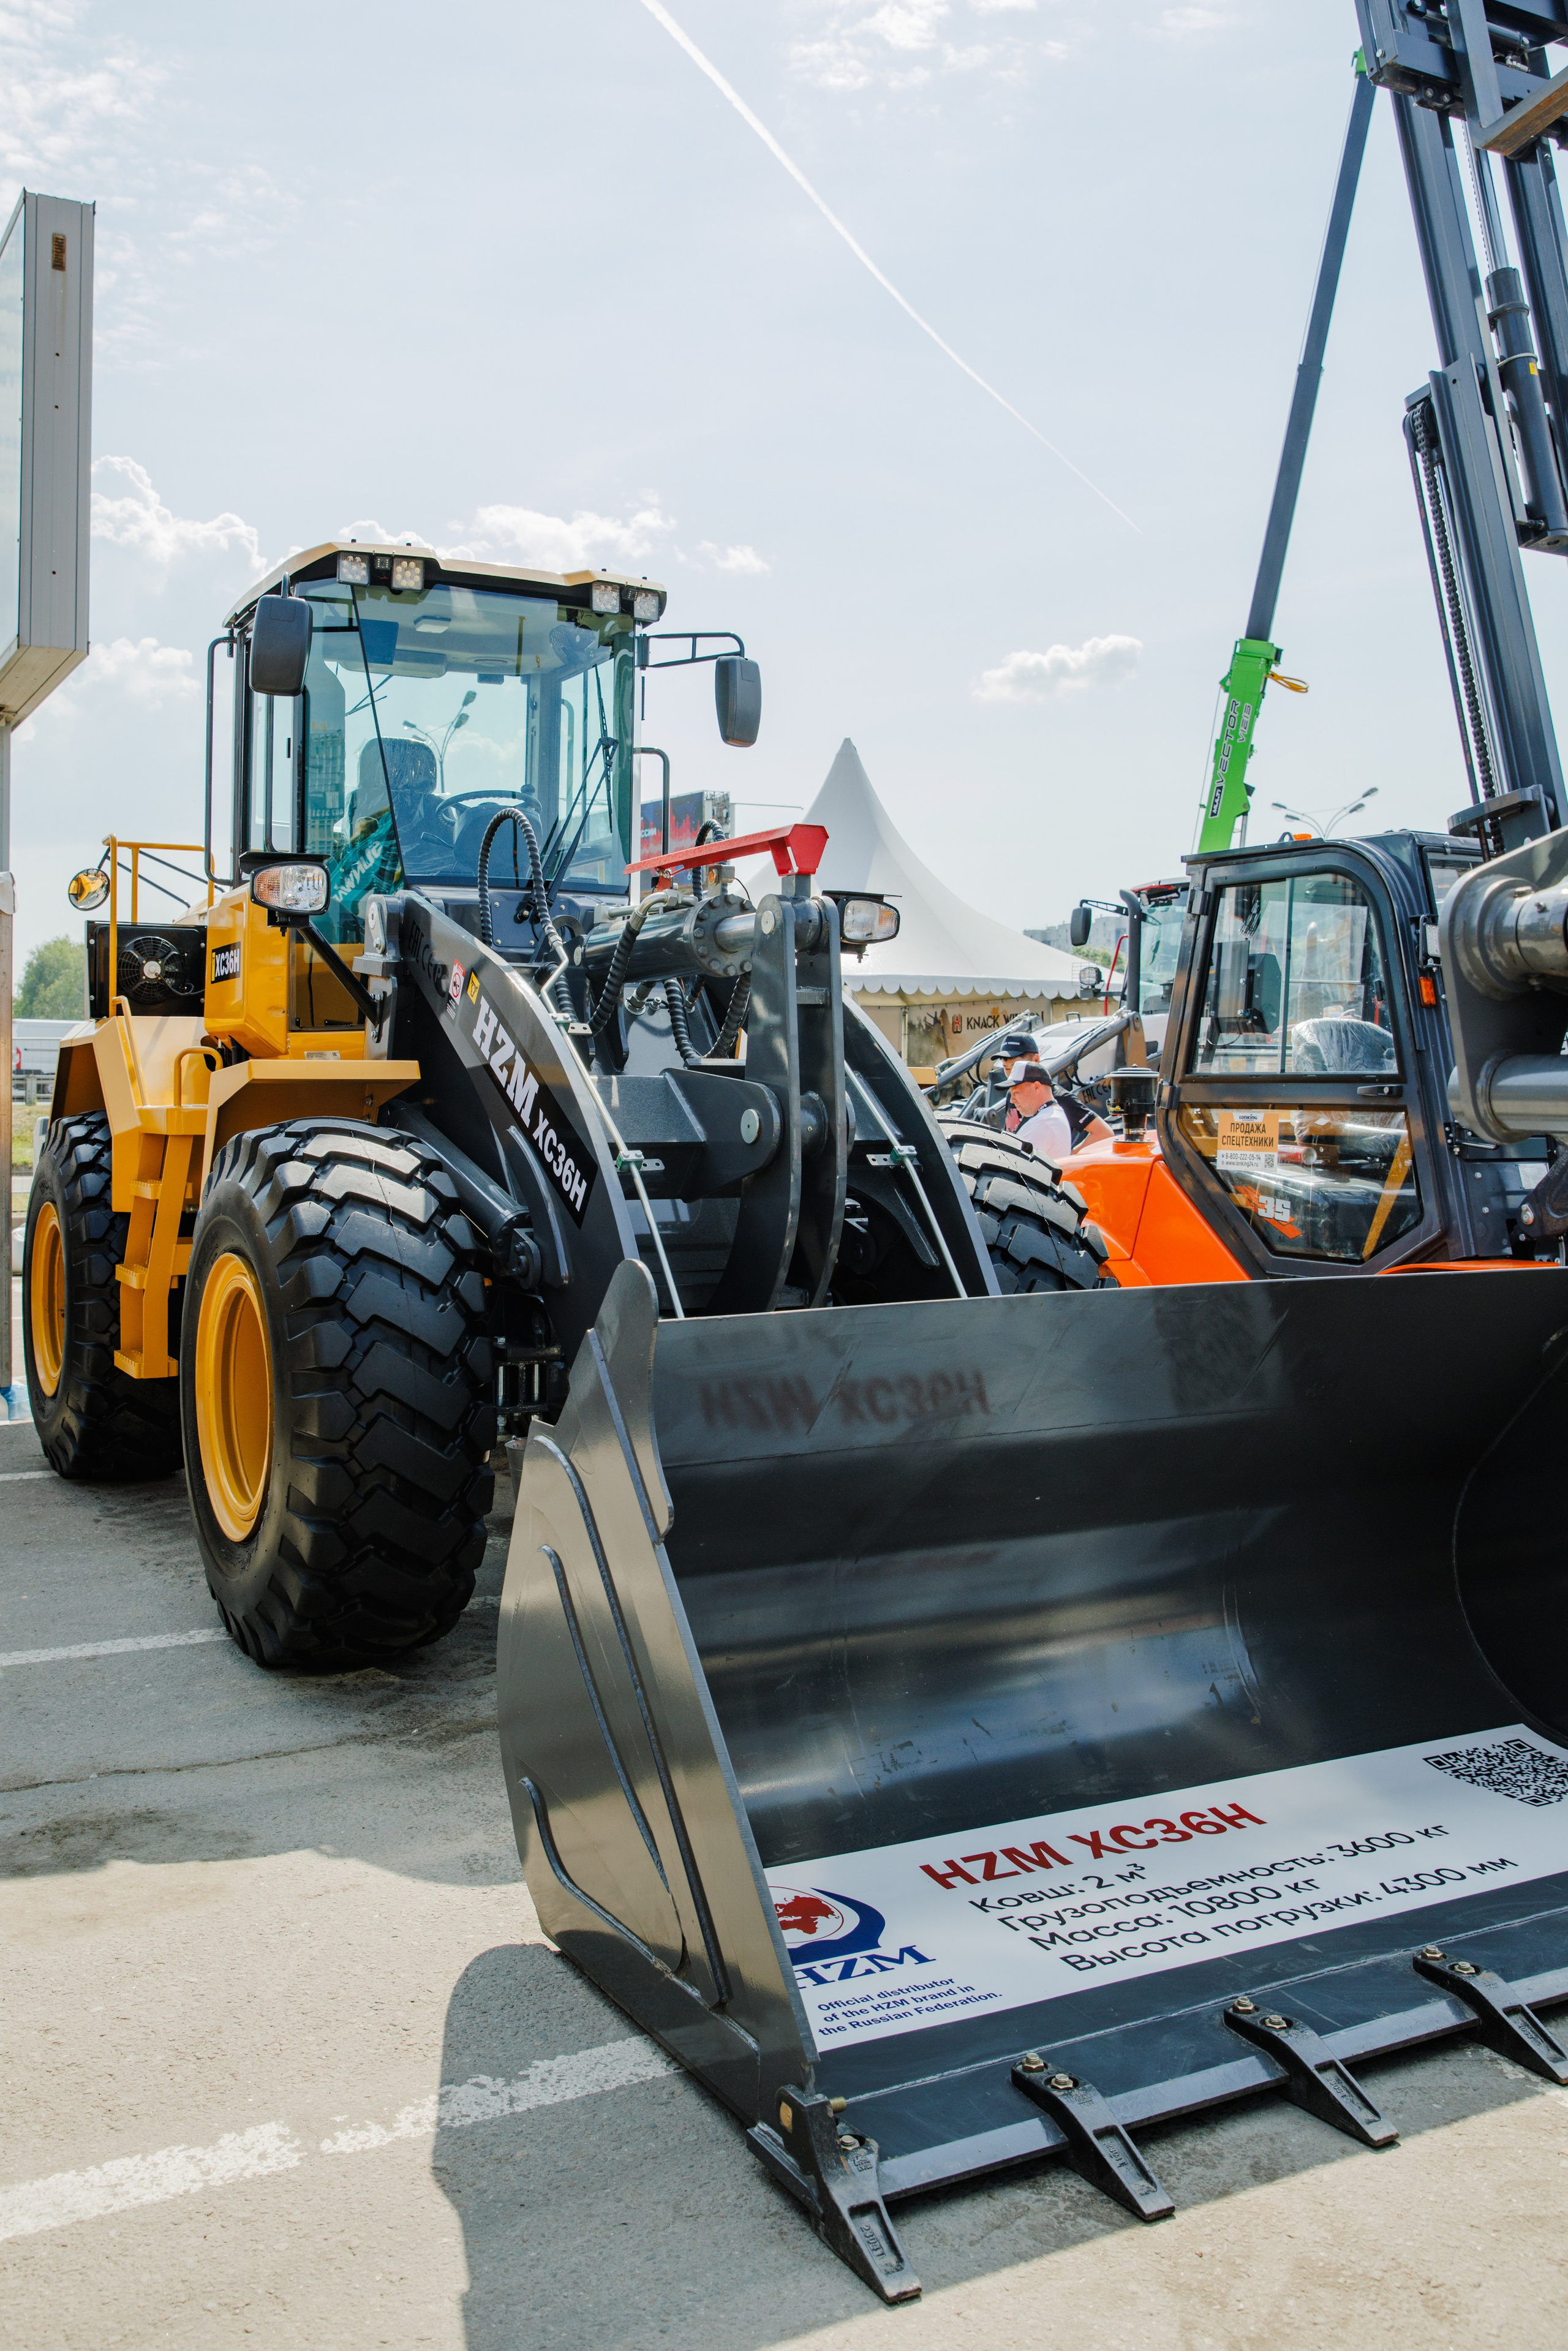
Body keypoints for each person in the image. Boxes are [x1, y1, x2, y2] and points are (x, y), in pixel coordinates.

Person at [1005, 1060, 1110, 1160]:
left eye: (1016, 1093)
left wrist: (1069, 1159)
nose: (1012, 1100)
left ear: (1036, 1087)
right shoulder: (1049, 1115)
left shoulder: (1045, 1122)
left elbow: (1104, 1132)